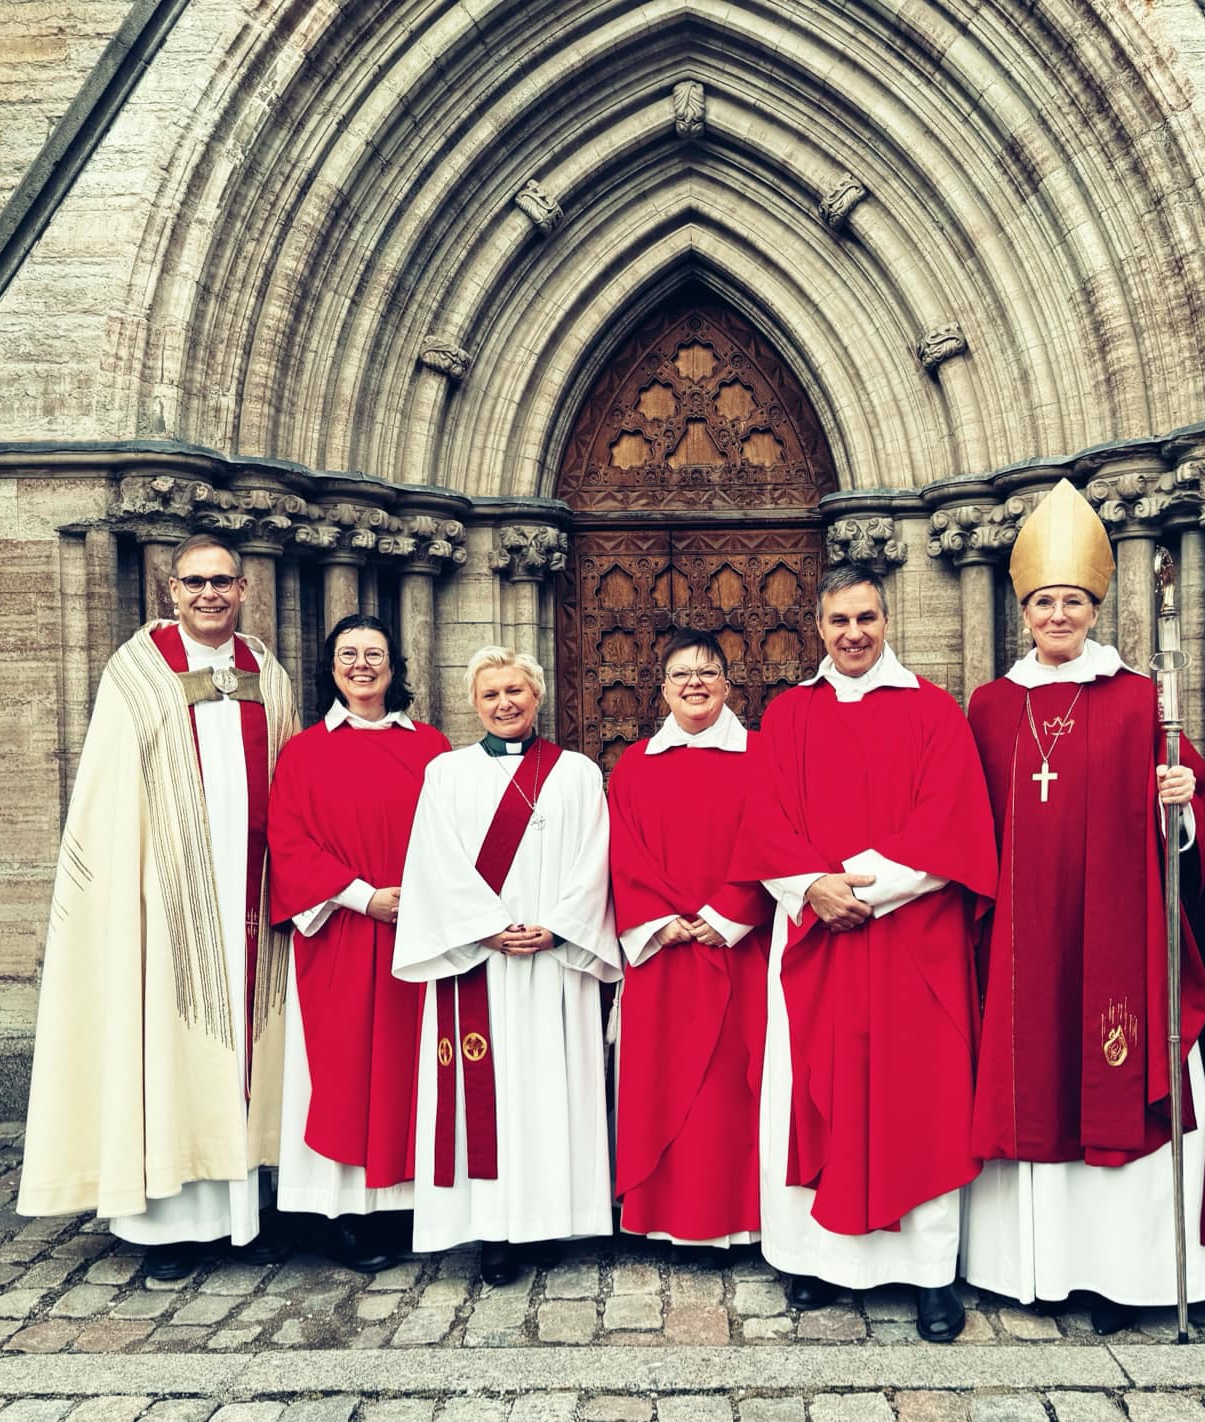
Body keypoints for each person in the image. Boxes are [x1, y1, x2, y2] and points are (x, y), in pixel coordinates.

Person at [961, 480, 1205, 1330]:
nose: (1058, 615)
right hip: (1022, 940)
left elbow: (1193, 814)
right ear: (1023, 610)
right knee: (1033, 1072)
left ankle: (1121, 1275)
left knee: (1111, 1069)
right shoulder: (990, 706)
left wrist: (1180, 801)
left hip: (1117, 933)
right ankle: (1033, 1269)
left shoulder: (1141, 700)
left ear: (1094, 607)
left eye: (1073, 601)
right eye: (1044, 601)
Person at [17, 534, 298, 1280]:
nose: (210, 594)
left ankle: (246, 1215)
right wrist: (129, 890)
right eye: (195, 582)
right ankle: (170, 1227)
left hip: (254, 893)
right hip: (168, 897)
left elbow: (291, 779)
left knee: (250, 1046)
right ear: (172, 591)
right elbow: (110, 792)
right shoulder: (137, 672)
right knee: (169, 1044)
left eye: (223, 582)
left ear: (243, 590)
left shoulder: (266, 672)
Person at [732, 564, 998, 1341]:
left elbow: (951, 820)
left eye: (867, 619)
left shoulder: (933, 710)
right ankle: (812, 1258)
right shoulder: (789, 713)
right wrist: (813, 887)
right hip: (814, 937)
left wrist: (860, 889)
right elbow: (764, 819)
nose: (853, 634)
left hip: (912, 939)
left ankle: (929, 1274)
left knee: (919, 1101)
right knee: (813, 1093)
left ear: (887, 622)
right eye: (839, 620)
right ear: (818, 628)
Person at [390, 646, 619, 1284]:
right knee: (489, 1098)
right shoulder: (447, 774)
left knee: (551, 1091)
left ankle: (548, 1219)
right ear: (473, 702)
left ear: (537, 695)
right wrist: (484, 928)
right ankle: (493, 1230)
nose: (504, 703)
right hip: (479, 965)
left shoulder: (576, 774)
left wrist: (561, 927)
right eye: (490, 694)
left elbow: (597, 859)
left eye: (515, 690)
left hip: (554, 963)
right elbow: (432, 862)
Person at [269, 615, 451, 1272]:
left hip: (417, 933)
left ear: (395, 667)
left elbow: (455, 835)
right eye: (348, 654)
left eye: (375, 653)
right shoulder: (303, 752)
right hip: (342, 931)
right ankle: (344, 1210)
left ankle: (410, 1204)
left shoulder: (431, 747)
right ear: (331, 667)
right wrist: (362, 897)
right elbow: (288, 842)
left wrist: (426, 897)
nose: (362, 665)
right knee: (345, 1067)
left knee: (410, 1069)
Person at [608, 629, 771, 1251]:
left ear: (728, 684)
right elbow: (621, 850)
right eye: (680, 674)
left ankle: (740, 1220)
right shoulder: (635, 764)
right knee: (663, 1082)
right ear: (663, 689)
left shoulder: (762, 756)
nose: (694, 683)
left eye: (706, 672)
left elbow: (775, 839)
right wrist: (659, 920)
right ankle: (659, 1217)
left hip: (738, 947)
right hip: (665, 952)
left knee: (733, 1089)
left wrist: (732, 912)